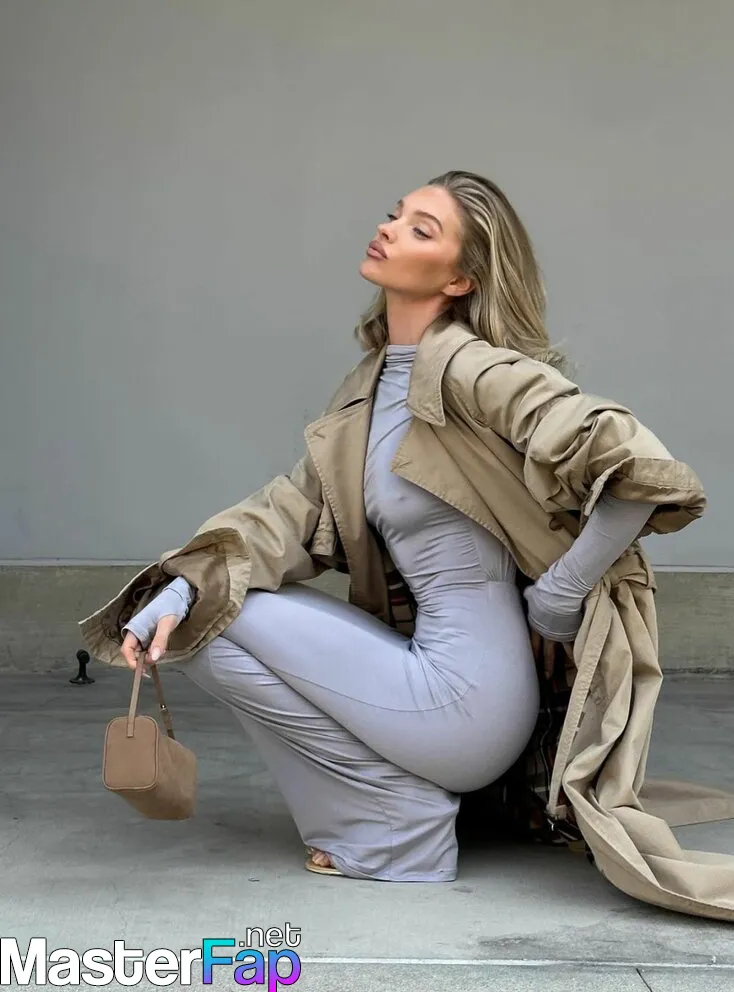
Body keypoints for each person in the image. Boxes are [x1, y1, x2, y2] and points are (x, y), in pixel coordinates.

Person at [80, 171, 686, 882]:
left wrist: (560, 595)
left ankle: (398, 831)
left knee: (220, 615)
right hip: (432, 673)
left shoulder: (475, 371)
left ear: (459, 279)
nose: (389, 228)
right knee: (198, 620)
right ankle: (396, 812)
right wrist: (182, 587)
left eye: (421, 229)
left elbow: (641, 468)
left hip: (472, 699)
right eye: (396, 215)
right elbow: (288, 511)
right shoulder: (372, 386)